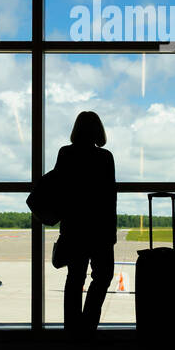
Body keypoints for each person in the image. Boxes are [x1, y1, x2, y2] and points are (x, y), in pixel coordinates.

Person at [53, 111, 116, 338]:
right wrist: (112, 232)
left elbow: (59, 190)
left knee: (75, 278)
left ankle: (72, 329)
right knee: (103, 277)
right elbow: (110, 198)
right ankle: (87, 326)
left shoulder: (65, 154)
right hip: (99, 229)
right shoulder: (105, 157)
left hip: (74, 227)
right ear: (99, 131)